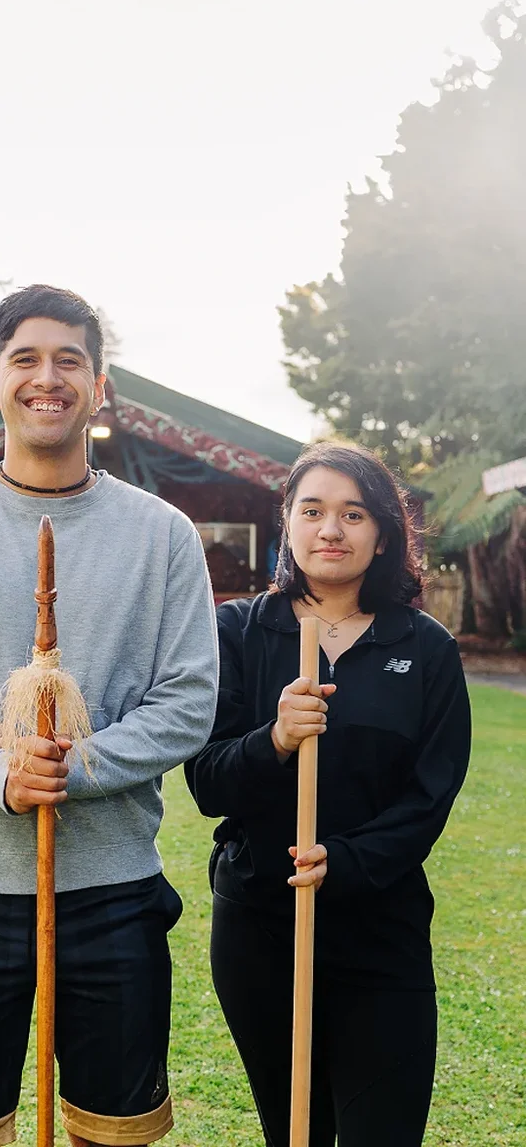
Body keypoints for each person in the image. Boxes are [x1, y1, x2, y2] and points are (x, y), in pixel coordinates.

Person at [0, 284, 219, 1147]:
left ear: (100, 386)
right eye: (25, 359)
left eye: (69, 360)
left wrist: (75, 763)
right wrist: (2, 770)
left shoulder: (164, 535)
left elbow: (187, 702)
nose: (48, 378)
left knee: (117, 1129)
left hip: (112, 885)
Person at [185, 443, 471, 1147]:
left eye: (353, 513)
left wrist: (344, 860)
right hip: (261, 926)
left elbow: (428, 799)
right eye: (312, 511)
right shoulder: (239, 633)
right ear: (287, 521)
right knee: (295, 1132)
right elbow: (206, 780)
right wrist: (274, 738)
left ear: (382, 534)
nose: (331, 529)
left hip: (382, 931)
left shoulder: (426, 649)